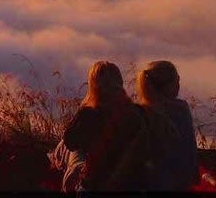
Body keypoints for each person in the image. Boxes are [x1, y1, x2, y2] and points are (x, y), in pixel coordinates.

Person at [63, 61, 163, 191]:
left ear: (94, 86)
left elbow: (70, 142)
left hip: (96, 185)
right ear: (120, 82)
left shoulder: (89, 115)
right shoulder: (139, 113)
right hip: (133, 186)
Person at [137, 60, 198, 190]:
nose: (179, 84)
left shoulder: (138, 112)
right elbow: (189, 156)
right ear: (169, 85)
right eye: (177, 80)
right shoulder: (180, 110)